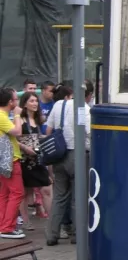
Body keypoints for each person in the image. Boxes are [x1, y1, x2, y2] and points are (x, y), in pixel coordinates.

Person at [44, 84, 75, 246]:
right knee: (78, 196)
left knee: (59, 196)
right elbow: (89, 132)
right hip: (76, 154)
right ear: (70, 95)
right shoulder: (80, 106)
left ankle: (52, 234)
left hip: (59, 156)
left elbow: (48, 131)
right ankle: (76, 234)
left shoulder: (56, 106)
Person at [17, 91, 52, 228]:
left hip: (38, 159)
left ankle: (52, 222)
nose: (35, 104)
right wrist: (25, 148)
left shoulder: (38, 120)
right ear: (24, 104)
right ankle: (25, 221)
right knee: (26, 192)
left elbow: (38, 136)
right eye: (31, 101)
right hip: (25, 160)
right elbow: (13, 139)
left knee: (47, 189)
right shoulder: (20, 119)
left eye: (36, 101)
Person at [0, 88, 25, 239]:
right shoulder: (2, 116)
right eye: (15, 100)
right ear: (10, 102)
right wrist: (17, 114)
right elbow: (17, 132)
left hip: (6, 160)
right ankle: (7, 227)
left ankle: (3, 224)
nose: (16, 102)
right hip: (10, 160)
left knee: (4, 193)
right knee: (17, 193)